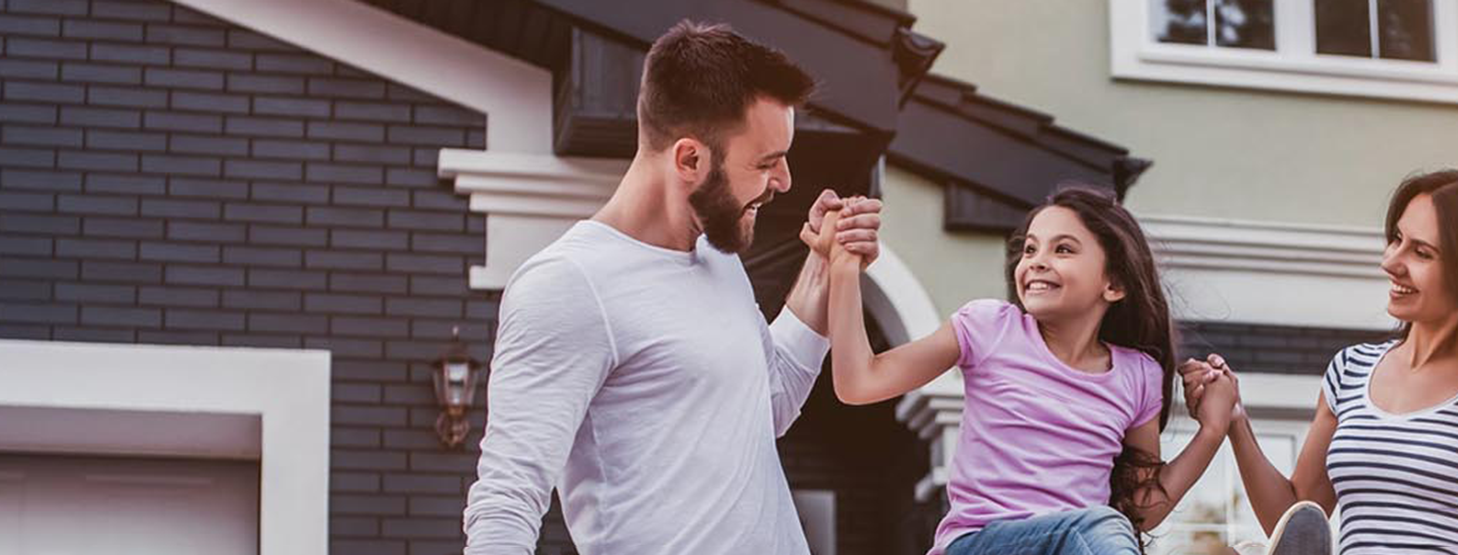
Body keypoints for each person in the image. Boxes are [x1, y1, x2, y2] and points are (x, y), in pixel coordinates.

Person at [461, 20, 885, 554]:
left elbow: (768, 403)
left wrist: (825, 267)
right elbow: (506, 502)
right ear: (689, 159)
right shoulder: (569, 285)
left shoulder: (716, 258)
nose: (784, 182)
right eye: (766, 162)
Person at [1182, 169, 1458, 554]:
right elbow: (1294, 516)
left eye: (1421, 252)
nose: (1390, 262)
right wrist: (1236, 420)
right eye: (1396, 239)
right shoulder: (1350, 371)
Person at [809, 186, 1237, 555]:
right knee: (1101, 526)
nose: (1036, 260)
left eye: (1063, 249)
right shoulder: (988, 328)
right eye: (1030, 248)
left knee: (1105, 526)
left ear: (1114, 284)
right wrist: (844, 268)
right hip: (978, 543)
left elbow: (1141, 509)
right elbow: (859, 382)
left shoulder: (1137, 376)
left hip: (1077, 544)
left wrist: (1212, 432)